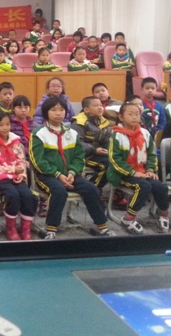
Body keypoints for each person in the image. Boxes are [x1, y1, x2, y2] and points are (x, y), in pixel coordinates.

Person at [29, 97, 115, 239]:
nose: (58, 113)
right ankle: (51, 228)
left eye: (61, 110)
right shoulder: (38, 134)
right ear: (46, 113)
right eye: (54, 110)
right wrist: (58, 175)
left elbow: (79, 157)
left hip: (71, 175)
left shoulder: (72, 133)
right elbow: (37, 161)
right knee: (59, 191)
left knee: (91, 189)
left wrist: (72, 172)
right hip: (47, 176)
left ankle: (102, 226)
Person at [107, 102, 170, 234]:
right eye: (130, 114)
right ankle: (128, 219)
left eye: (137, 114)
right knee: (144, 186)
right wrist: (132, 172)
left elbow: (151, 154)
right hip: (122, 174)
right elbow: (114, 159)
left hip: (143, 172)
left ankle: (163, 215)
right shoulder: (116, 135)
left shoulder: (145, 133)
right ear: (121, 117)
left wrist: (151, 170)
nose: (134, 117)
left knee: (161, 187)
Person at [0, 111, 37, 240]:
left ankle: (25, 228)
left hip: (16, 176)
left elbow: (21, 160)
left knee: (28, 195)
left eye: (7, 124)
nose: (5, 127)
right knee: (12, 195)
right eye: (1, 125)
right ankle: (11, 228)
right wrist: (12, 169)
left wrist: (22, 174)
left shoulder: (16, 141)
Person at [70, 97, 113, 194]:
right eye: (96, 105)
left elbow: (107, 140)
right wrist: (94, 150)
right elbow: (78, 143)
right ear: (86, 110)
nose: (100, 107)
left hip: (98, 153)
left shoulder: (102, 122)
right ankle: (94, 189)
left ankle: (97, 188)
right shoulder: (79, 122)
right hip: (83, 155)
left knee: (116, 162)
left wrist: (110, 150)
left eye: (100, 105)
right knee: (107, 165)